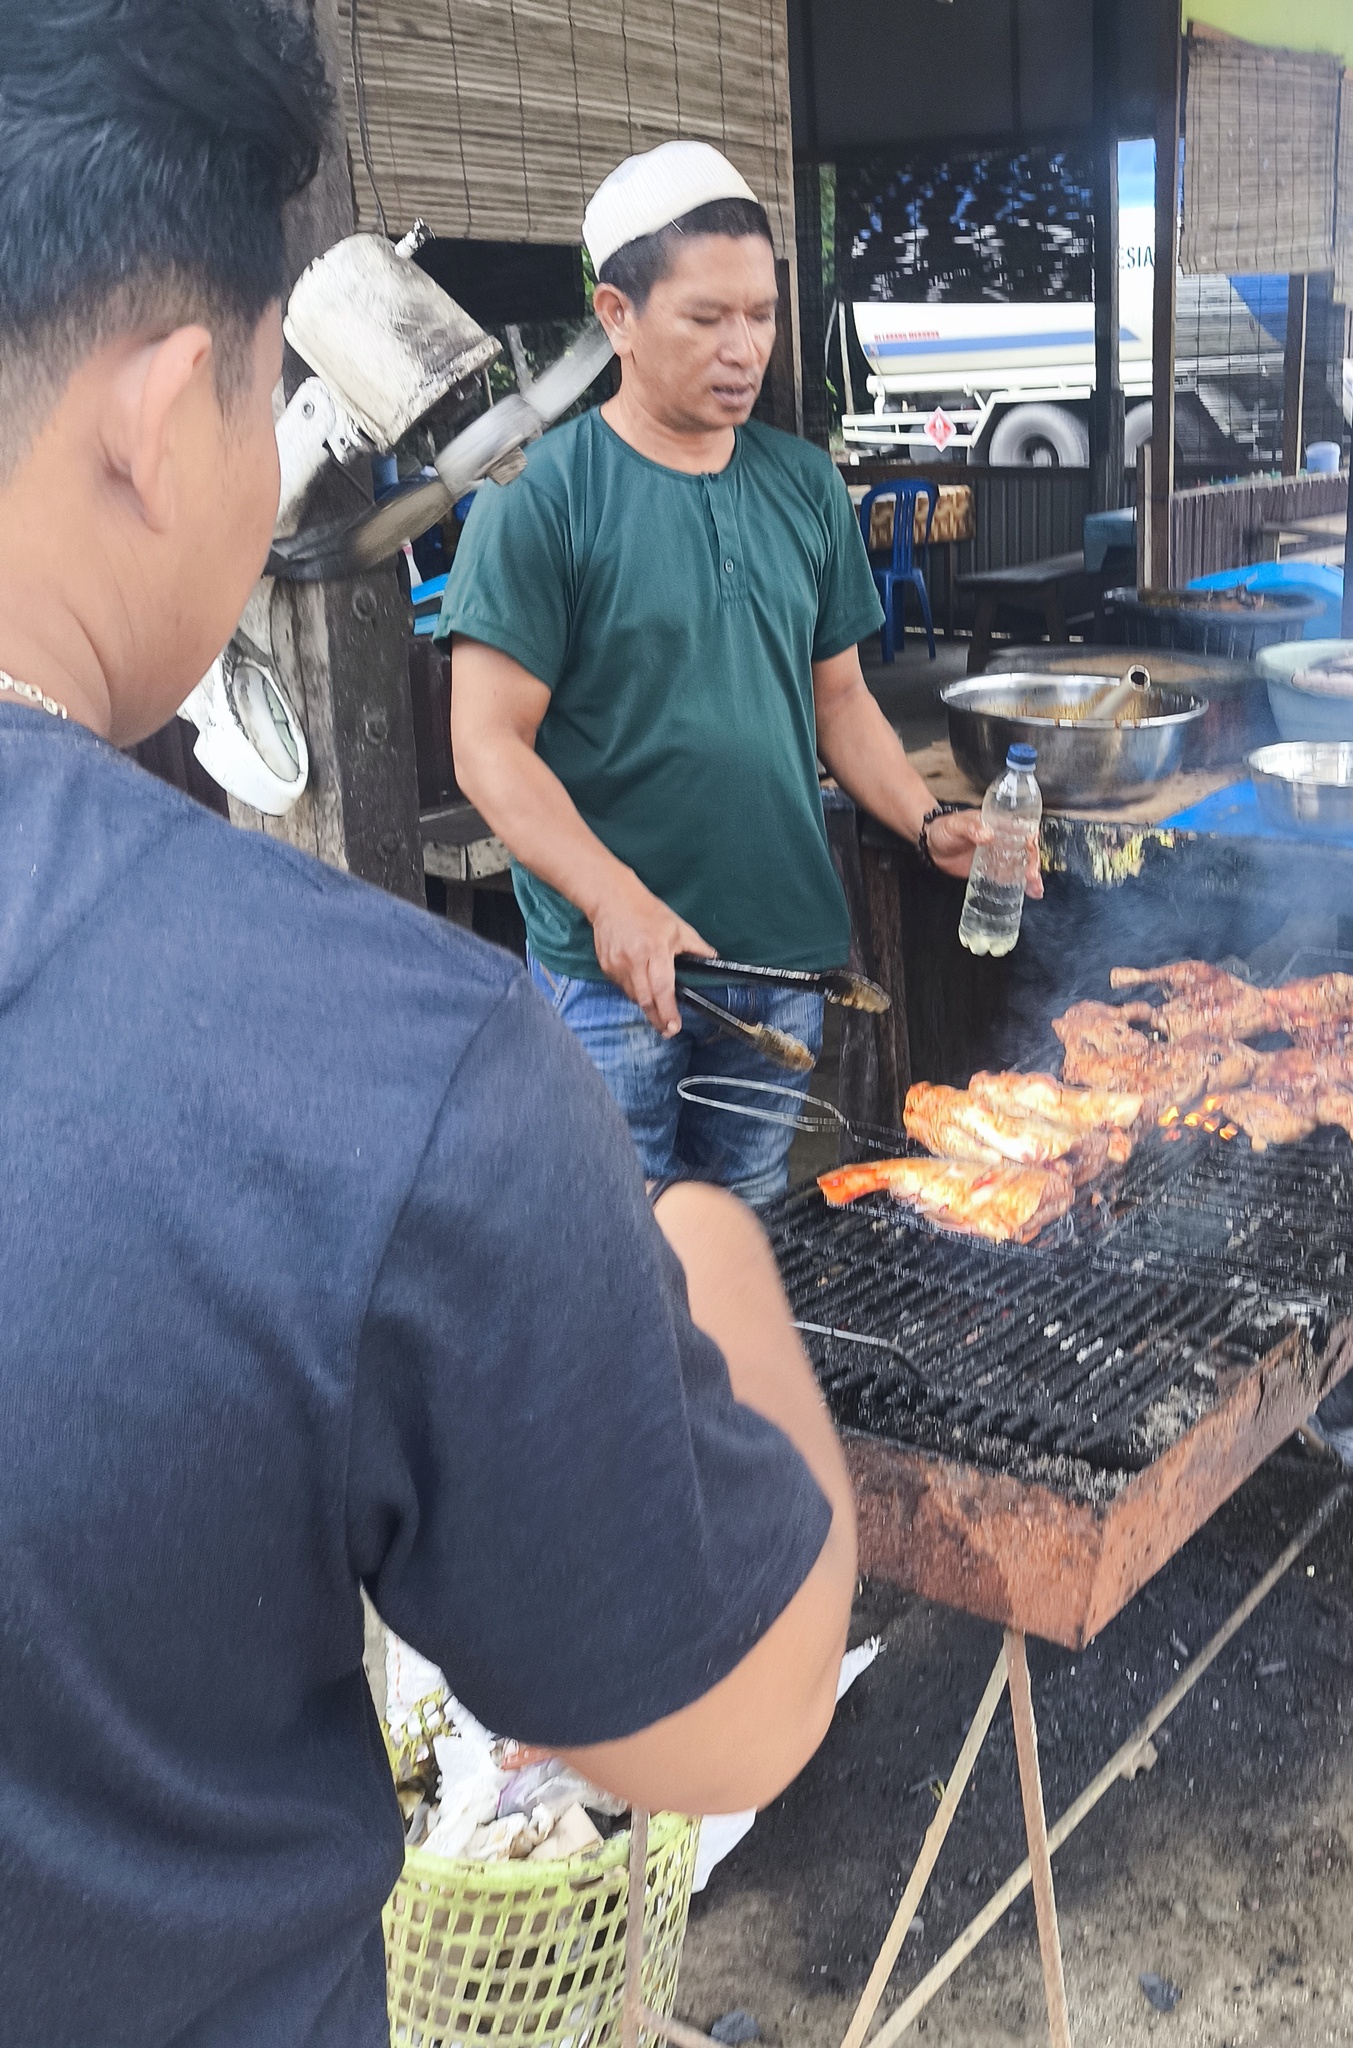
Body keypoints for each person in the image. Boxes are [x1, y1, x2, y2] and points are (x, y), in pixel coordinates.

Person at [0, 7, 855, 2043]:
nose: (740, 346)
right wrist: (717, 1256)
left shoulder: (795, 493)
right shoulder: (383, 1066)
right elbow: (729, 1714)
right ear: (164, 409)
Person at [444, 142, 1031, 1203]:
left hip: (779, 961)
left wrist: (924, 818)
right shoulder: (538, 499)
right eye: (707, 317)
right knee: (620, 1249)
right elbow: (487, 744)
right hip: (610, 974)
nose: (744, 346)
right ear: (616, 315)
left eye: (760, 314)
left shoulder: (802, 485)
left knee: (750, 1229)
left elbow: (838, 699)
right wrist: (614, 900)